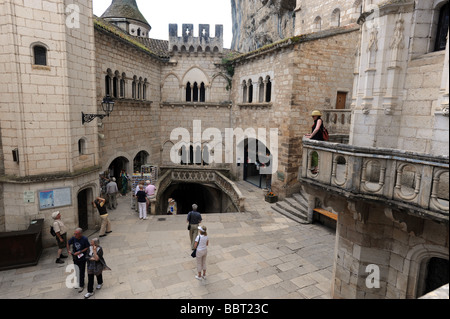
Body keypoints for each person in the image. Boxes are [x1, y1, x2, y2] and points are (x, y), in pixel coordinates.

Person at [67, 228, 90, 293]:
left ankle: (82, 285)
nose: (75, 235)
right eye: (74, 234)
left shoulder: (84, 239)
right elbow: (68, 243)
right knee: (76, 270)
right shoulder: (73, 238)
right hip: (75, 257)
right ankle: (78, 282)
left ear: (80, 234)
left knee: (81, 271)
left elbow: (87, 247)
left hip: (82, 257)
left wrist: (80, 252)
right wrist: (68, 250)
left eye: (76, 234)